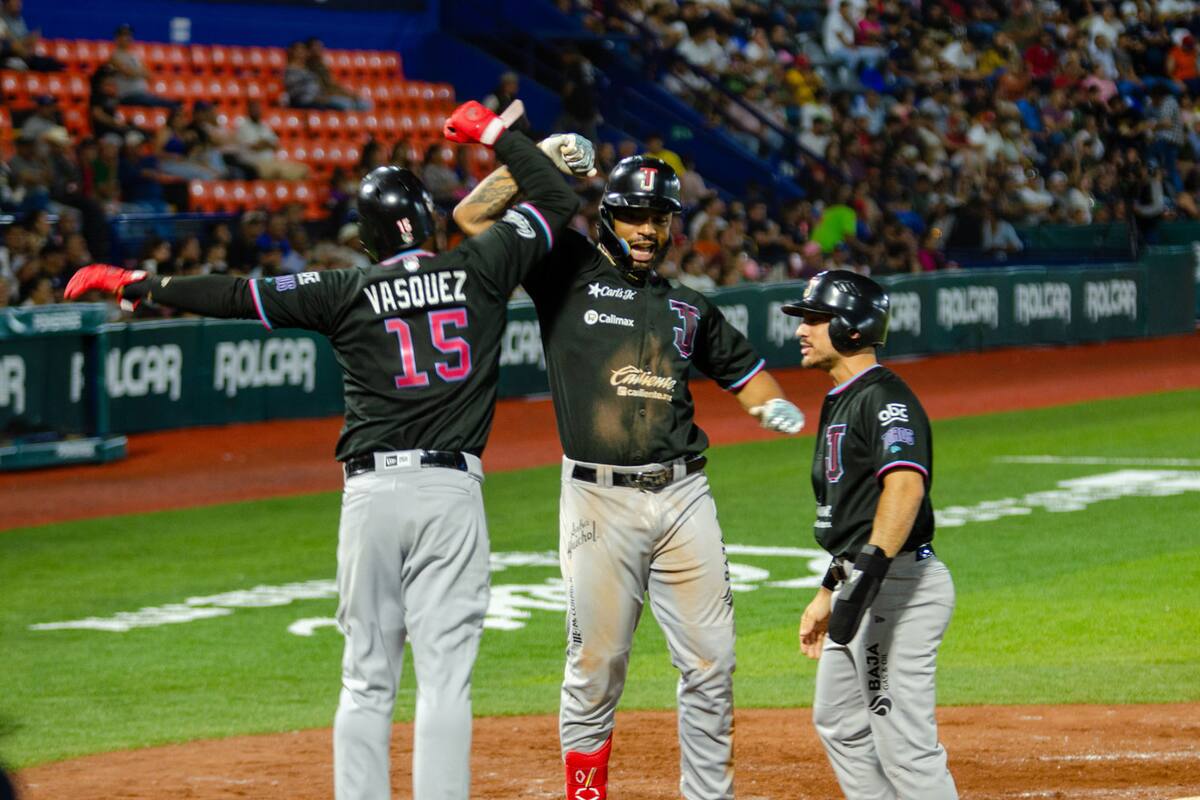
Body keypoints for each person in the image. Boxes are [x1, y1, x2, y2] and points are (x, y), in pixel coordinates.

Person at [63, 99, 582, 800]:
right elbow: (556, 193)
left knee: (366, 675)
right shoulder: (482, 266)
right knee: (445, 678)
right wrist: (496, 134)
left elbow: (238, 295)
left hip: (371, 497)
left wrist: (143, 284)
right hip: (451, 493)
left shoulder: (346, 289)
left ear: (366, 239)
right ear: (429, 222)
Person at [454, 155, 806, 800]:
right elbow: (474, 215)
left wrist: (768, 403)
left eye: (659, 218)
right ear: (607, 215)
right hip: (598, 499)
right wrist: (542, 163)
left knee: (711, 664)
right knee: (596, 666)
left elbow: (745, 371)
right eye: (634, 216)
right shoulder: (566, 269)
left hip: (683, 495)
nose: (647, 229)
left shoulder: (685, 307)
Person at [783, 270, 958, 800]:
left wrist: (866, 577)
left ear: (853, 329)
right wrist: (829, 586)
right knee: (838, 721)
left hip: (899, 584)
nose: (801, 330)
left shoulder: (886, 399)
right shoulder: (843, 397)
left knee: (903, 742)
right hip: (864, 579)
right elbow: (857, 515)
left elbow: (903, 490)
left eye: (815, 319)